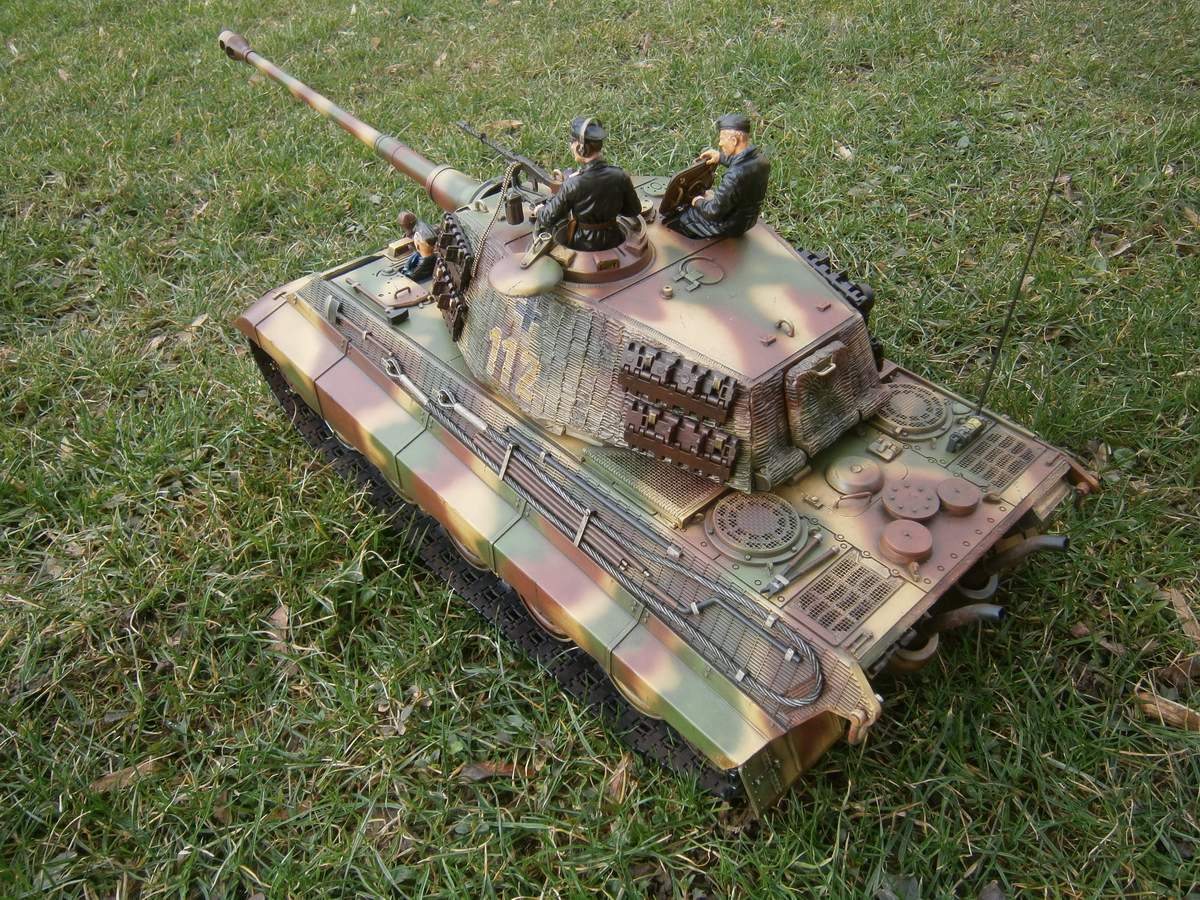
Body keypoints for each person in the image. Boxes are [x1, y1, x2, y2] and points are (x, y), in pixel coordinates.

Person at [534, 117, 641, 252]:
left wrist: (539, 211)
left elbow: (548, 218)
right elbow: (633, 210)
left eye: (572, 142)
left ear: (581, 148)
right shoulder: (620, 176)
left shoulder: (573, 184)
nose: (571, 146)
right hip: (614, 240)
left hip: (584, 245)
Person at [670, 114, 769, 239]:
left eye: (722, 139)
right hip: (747, 220)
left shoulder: (734, 176)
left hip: (728, 225)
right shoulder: (760, 160)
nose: (720, 143)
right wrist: (720, 157)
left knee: (684, 217)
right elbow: (741, 163)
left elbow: (714, 212)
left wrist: (698, 201)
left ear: (734, 141)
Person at [396, 212, 437, 280]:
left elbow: (413, 275)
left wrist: (407, 273)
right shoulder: (418, 253)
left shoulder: (426, 261)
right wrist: (406, 267)